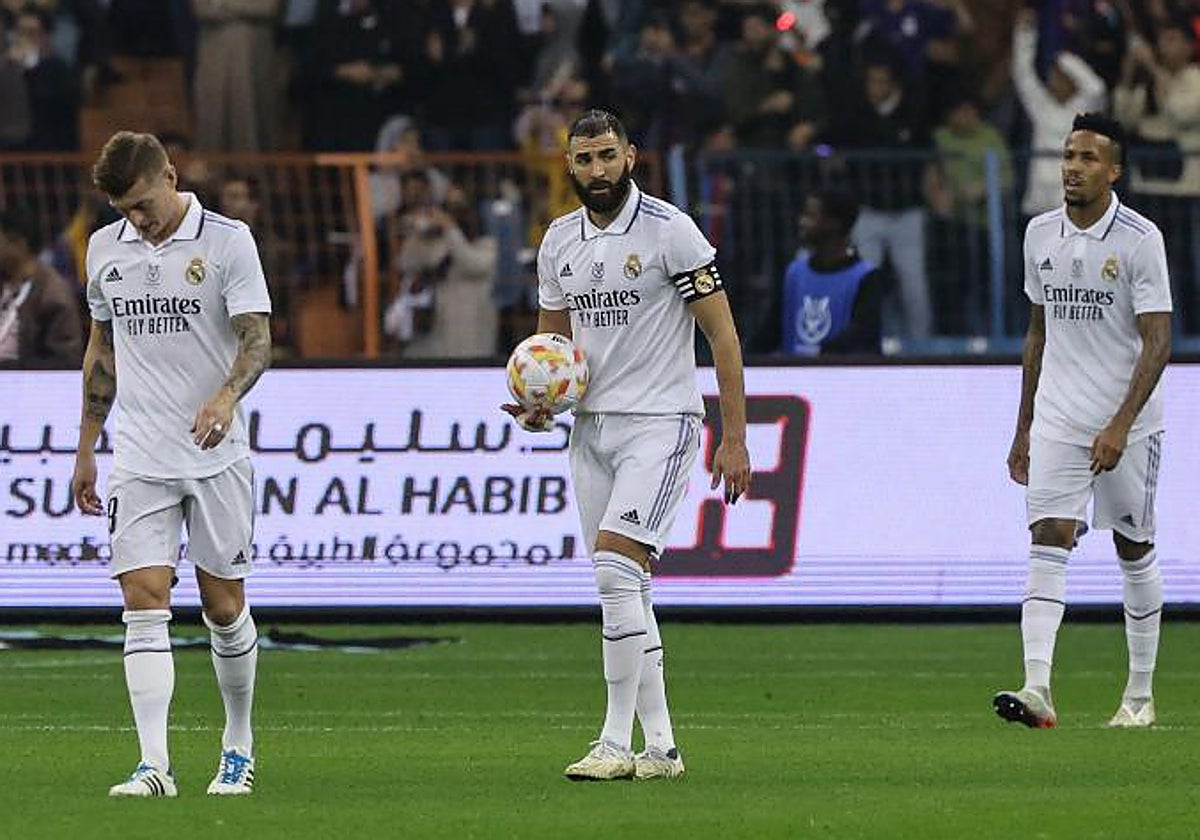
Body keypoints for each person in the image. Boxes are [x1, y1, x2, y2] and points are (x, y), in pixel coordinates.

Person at [502, 109, 752, 781]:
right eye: (584, 160)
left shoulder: (672, 232)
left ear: (632, 156)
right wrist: (538, 405)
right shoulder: (558, 241)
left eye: (607, 156)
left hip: (662, 424)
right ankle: (663, 748)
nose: (597, 171)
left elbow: (722, 336)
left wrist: (734, 436)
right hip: (592, 430)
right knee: (625, 588)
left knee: (617, 571)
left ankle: (614, 742)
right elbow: (551, 348)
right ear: (570, 165)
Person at [70, 131, 273, 796]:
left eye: (142, 202)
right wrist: (86, 446)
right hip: (140, 453)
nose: (137, 217)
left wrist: (223, 396)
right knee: (143, 600)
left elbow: (257, 341)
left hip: (216, 454)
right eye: (123, 208)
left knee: (222, 605)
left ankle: (237, 746)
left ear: (170, 176)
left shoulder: (228, 240)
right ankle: (153, 765)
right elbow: (101, 351)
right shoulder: (105, 250)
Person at [995, 113, 1173, 731]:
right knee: (1047, 536)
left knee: (1134, 547)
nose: (1073, 166)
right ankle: (1037, 687)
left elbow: (1157, 340)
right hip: (1059, 420)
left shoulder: (1139, 239)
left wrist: (1122, 424)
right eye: (1069, 155)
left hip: (1130, 425)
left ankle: (1140, 695)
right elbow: (1037, 333)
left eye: (1089, 158)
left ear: (1114, 171)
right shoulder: (1039, 234)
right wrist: (1023, 428)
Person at [780, 188, 883, 356]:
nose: (802, 222)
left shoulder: (866, 277)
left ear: (834, 223)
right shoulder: (794, 272)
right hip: (796, 377)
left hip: (845, 378)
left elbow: (863, 333)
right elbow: (771, 330)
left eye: (810, 216)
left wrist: (822, 354)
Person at [0, 206, 84, 365]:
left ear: (19, 243)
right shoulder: (5, 282)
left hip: (24, 382)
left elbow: (65, 359)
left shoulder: (53, 295)